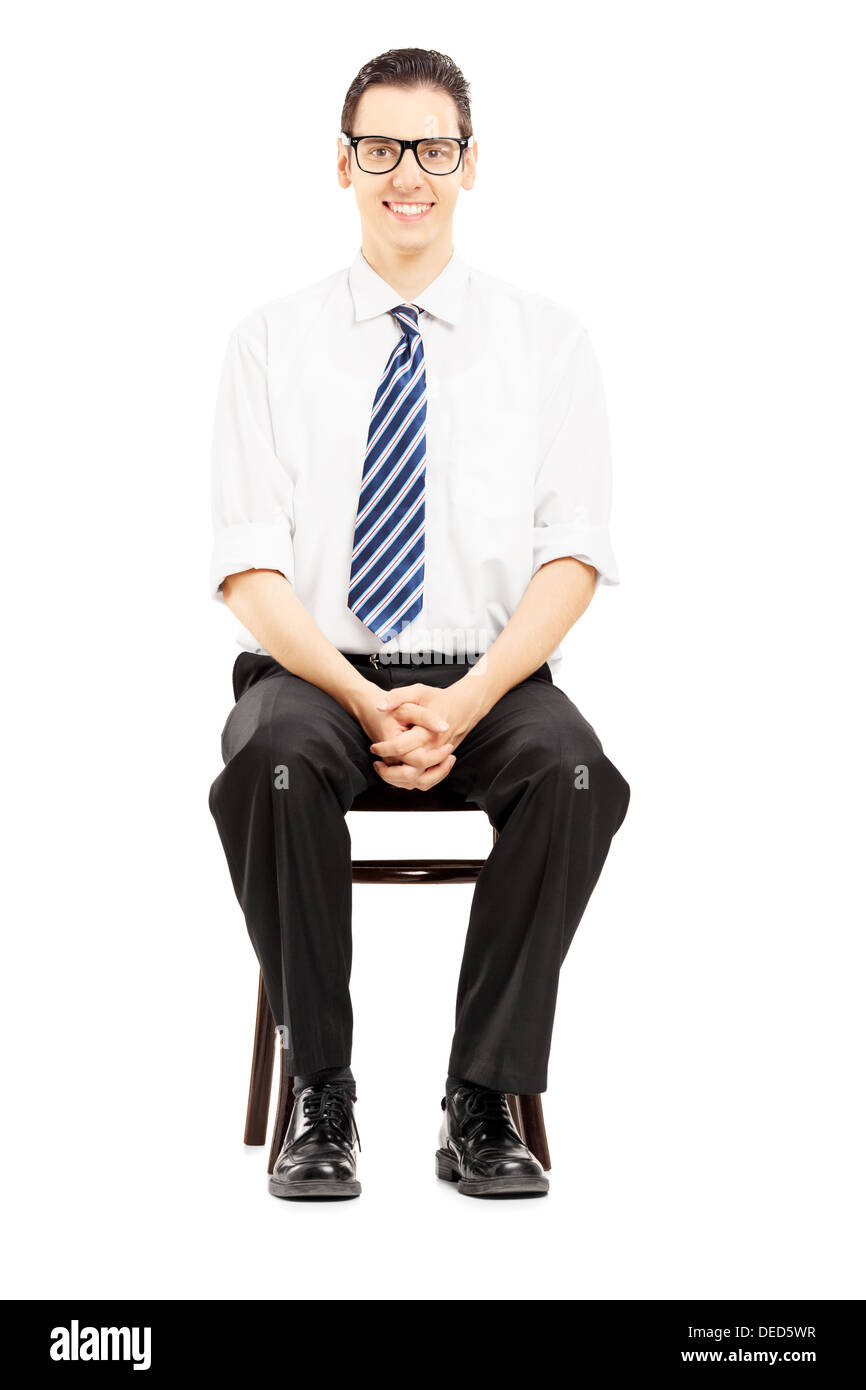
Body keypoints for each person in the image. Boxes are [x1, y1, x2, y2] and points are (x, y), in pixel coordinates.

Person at [208, 46, 630, 1201]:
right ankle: (322, 1089)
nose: (409, 173)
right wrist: (359, 696)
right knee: (277, 763)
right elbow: (249, 569)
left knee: (576, 774)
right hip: (314, 669)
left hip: (489, 673)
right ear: (340, 164)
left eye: (432, 149)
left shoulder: (548, 344)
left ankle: (481, 1097)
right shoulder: (269, 343)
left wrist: (467, 698)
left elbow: (571, 556)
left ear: (469, 165)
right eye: (381, 148)